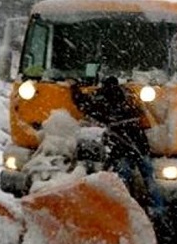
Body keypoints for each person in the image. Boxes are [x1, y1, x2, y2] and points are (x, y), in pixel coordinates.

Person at [70, 76, 165, 215]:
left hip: (121, 149)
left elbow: (84, 105)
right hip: (139, 146)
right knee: (149, 178)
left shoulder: (104, 105)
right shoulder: (130, 99)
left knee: (123, 179)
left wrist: (74, 89)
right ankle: (158, 210)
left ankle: (125, 209)